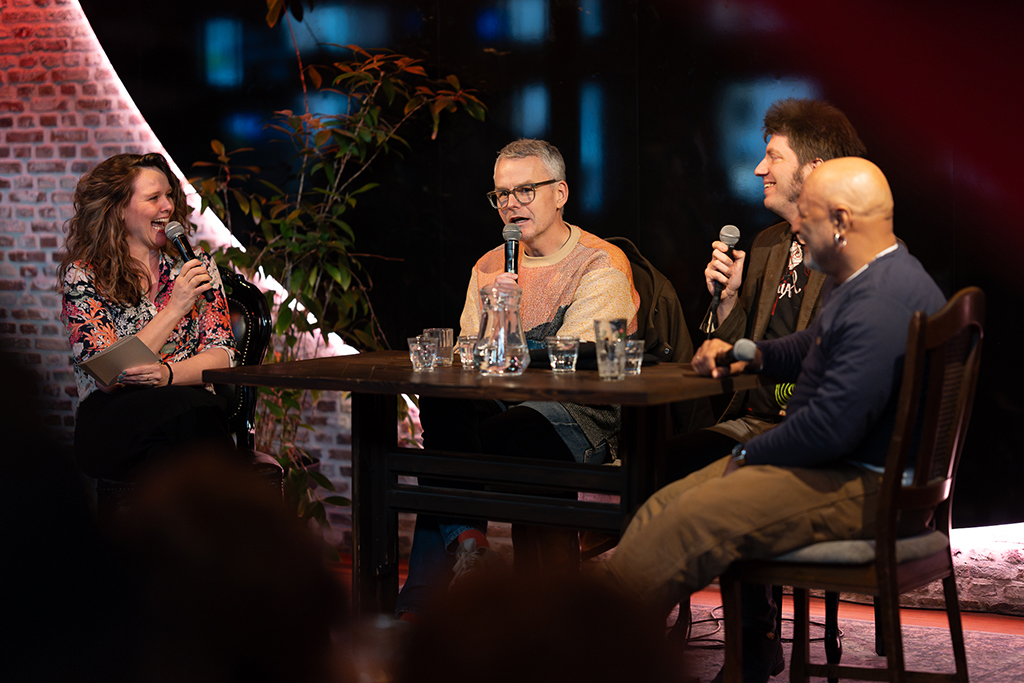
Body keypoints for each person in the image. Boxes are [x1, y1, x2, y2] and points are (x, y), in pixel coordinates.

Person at [603, 158, 946, 674]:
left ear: (841, 221)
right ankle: (613, 653)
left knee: (686, 522)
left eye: (806, 215)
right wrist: (752, 353)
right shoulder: (878, 275)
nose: (796, 227)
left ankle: (592, 655)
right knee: (662, 507)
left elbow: (828, 429)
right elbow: (815, 342)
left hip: (865, 488)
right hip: (842, 470)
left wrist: (747, 454)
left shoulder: (881, 303)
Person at [396, 139, 641, 620]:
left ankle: (427, 609)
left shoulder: (600, 262)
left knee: (455, 458)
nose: (511, 203)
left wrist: (504, 330)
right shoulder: (489, 266)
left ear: (560, 193)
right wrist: (494, 313)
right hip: (503, 407)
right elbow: (466, 362)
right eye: (501, 194)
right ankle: (470, 549)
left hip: (579, 415)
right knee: (442, 402)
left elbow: (573, 366)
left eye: (525, 190)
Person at [667, 99, 867, 682]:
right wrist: (728, 300)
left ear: (815, 169)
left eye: (773, 157)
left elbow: (827, 352)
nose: (759, 169)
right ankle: (641, 635)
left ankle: (752, 645)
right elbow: (741, 346)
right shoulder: (768, 245)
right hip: (750, 417)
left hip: (808, 430)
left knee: (734, 475)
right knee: (666, 463)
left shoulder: (854, 249)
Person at [58, 152, 237, 481]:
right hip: (115, 415)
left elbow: (223, 355)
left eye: (169, 195)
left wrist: (167, 375)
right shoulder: (84, 276)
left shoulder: (195, 266)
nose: (167, 206)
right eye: (154, 198)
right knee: (191, 418)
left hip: (188, 408)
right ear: (118, 209)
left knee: (175, 440)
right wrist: (175, 308)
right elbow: (109, 377)